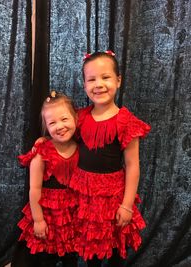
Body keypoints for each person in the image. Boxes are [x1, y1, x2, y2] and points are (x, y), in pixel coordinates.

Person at [68, 51, 151, 267]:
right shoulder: (80, 116)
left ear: (118, 80)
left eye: (105, 77)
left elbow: (133, 166)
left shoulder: (125, 121)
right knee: (90, 244)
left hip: (112, 195)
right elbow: (64, 141)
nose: (99, 85)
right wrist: (43, 140)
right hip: (84, 193)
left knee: (114, 244)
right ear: (84, 84)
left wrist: (127, 205)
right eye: (92, 79)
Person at [11, 91, 79, 267]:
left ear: (75, 119)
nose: (60, 126)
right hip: (47, 216)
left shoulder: (81, 148)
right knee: (46, 258)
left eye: (64, 119)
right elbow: (34, 189)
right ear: (46, 127)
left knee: (71, 256)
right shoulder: (41, 153)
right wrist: (38, 220)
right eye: (52, 122)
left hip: (71, 216)